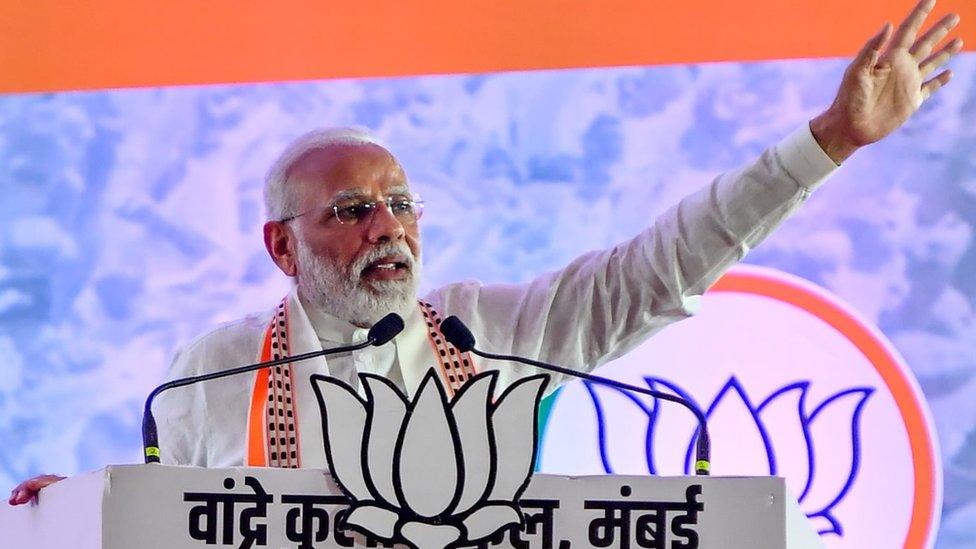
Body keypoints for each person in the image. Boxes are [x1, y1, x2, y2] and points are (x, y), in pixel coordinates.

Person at [9, 0, 963, 504]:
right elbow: (167, 526)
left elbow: (660, 264)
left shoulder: (495, 333)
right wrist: (76, 515)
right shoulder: (210, 372)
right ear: (281, 244)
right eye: (351, 210)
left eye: (399, 204)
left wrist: (830, 140)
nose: (387, 227)